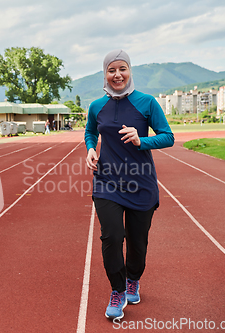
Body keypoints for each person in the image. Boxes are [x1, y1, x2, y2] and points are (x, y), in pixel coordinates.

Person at [84, 50, 174, 320]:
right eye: (111, 70)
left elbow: (168, 137)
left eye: (122, 69)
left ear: (130, 71)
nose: (117, 75)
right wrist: (90, 148)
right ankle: (117, 289)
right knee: (111, 237)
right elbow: (90, 131)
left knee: (138, 242)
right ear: (105, 74)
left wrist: (141, 140)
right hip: (107, 182)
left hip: (141, 184)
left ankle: (133, 278)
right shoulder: (96, 106)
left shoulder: (146, 103)